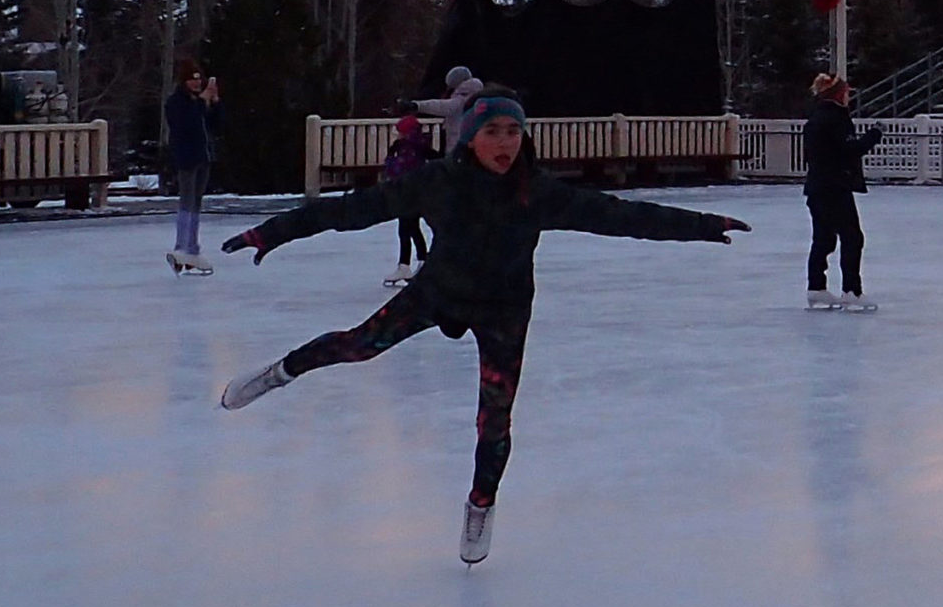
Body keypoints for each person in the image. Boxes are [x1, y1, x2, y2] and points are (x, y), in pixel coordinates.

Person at [218, 89, 749, 565]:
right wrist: (274, 232)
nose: (505, 143)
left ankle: (480, 503)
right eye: (493, 131)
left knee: (494, 418)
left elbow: (622, 217)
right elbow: (352, 211)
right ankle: (279, 372)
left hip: (503, 310)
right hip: (438, 293)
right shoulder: (436, 184)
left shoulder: (537, 192)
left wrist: (701, 226)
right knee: (359, 346)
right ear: (470, 138)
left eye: (514, 131)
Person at [802, 72, 885, 312]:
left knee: (823, 238)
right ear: (838, 95)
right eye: (847, 92)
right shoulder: (835, 118)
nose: (849, 96)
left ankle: (816, 287)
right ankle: (851, 290)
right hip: (834, 188)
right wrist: (874, 134)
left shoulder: (816, 116)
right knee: (852, 237)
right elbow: (850, 149)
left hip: (817, 187)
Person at [162, 58, 222, 275]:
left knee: (197, 201)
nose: (197, 84)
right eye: (192, 80)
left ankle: (192, 246)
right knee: (187, 200)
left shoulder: (199, 101)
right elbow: (186, 125)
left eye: (199, 80)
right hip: (186, 157)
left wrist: (214, 103)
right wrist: (201, 103)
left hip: (203, 156)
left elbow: (215, 125)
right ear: (184, 81)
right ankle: (182, 245)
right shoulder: (177, 102)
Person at [381, 110, 432, 287]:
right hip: (413, 192)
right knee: (411, 228)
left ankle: (405, 264)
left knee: (406, 228)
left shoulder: (408, 148)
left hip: (409, 193)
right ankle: (421, 259)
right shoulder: (414, 146)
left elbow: (402, 169)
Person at [412, 65, 485, 121]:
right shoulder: (479, 96)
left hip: (459, 138)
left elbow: (441, 106)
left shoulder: (462, 99)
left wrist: (417, 105)